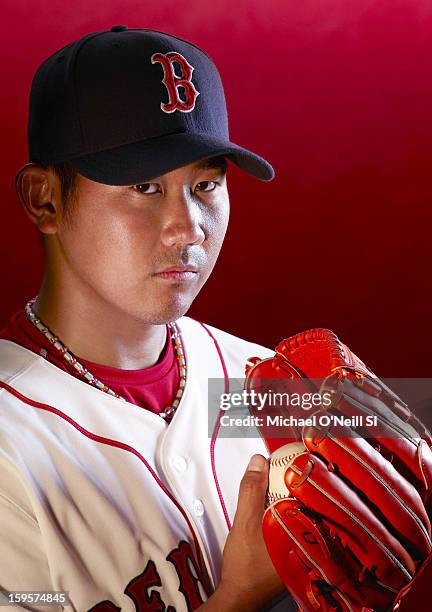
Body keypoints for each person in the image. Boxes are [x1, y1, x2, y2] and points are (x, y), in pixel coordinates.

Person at [0, 26, 292, 611]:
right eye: (144, 186)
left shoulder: (273, 382)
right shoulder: (10, 447)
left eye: (205, 184)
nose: (188, 229)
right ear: (45, 200)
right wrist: (244, 599)